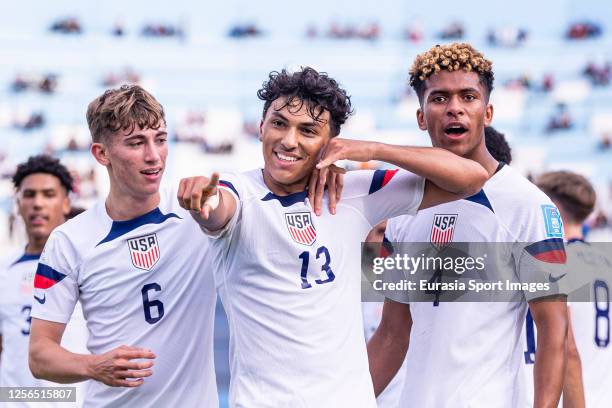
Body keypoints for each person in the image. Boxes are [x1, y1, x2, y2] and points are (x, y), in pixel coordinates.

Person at [178, 66, 488, 407]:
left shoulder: (354, 192)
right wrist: (201, 200)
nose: (289, 140)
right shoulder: (239, 192)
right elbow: (218, 207)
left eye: (308, 130)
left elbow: (472, 176)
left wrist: (372, 149)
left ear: (330, 144)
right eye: (279, 123)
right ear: (262, 126)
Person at [367, 43, 568, 408]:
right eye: (440, 98)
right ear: (421, 116)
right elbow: (391, 336)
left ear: (487, 111)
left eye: (468, 96)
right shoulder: (400, 209)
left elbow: (554, 333)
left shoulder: (528, 205)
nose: (454, 108)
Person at [28, 85, 218, 407]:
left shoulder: (196, 210)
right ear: (101, 154)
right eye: (136, 143)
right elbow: (40, 355)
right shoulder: (69, 241)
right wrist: (93, 366)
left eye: (160, 139)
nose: (154, 156)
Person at [0, 155, 89, 407]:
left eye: (48, 194)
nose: (37, 203)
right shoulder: (3, 271)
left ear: (65, 203)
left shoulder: (90, 266)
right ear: (17, 203)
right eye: (29, 195)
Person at [535, 171, 611, 408]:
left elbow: (566, 348)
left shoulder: (555, 261)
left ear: (553, 207)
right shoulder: (606, 260)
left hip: (574, 398)